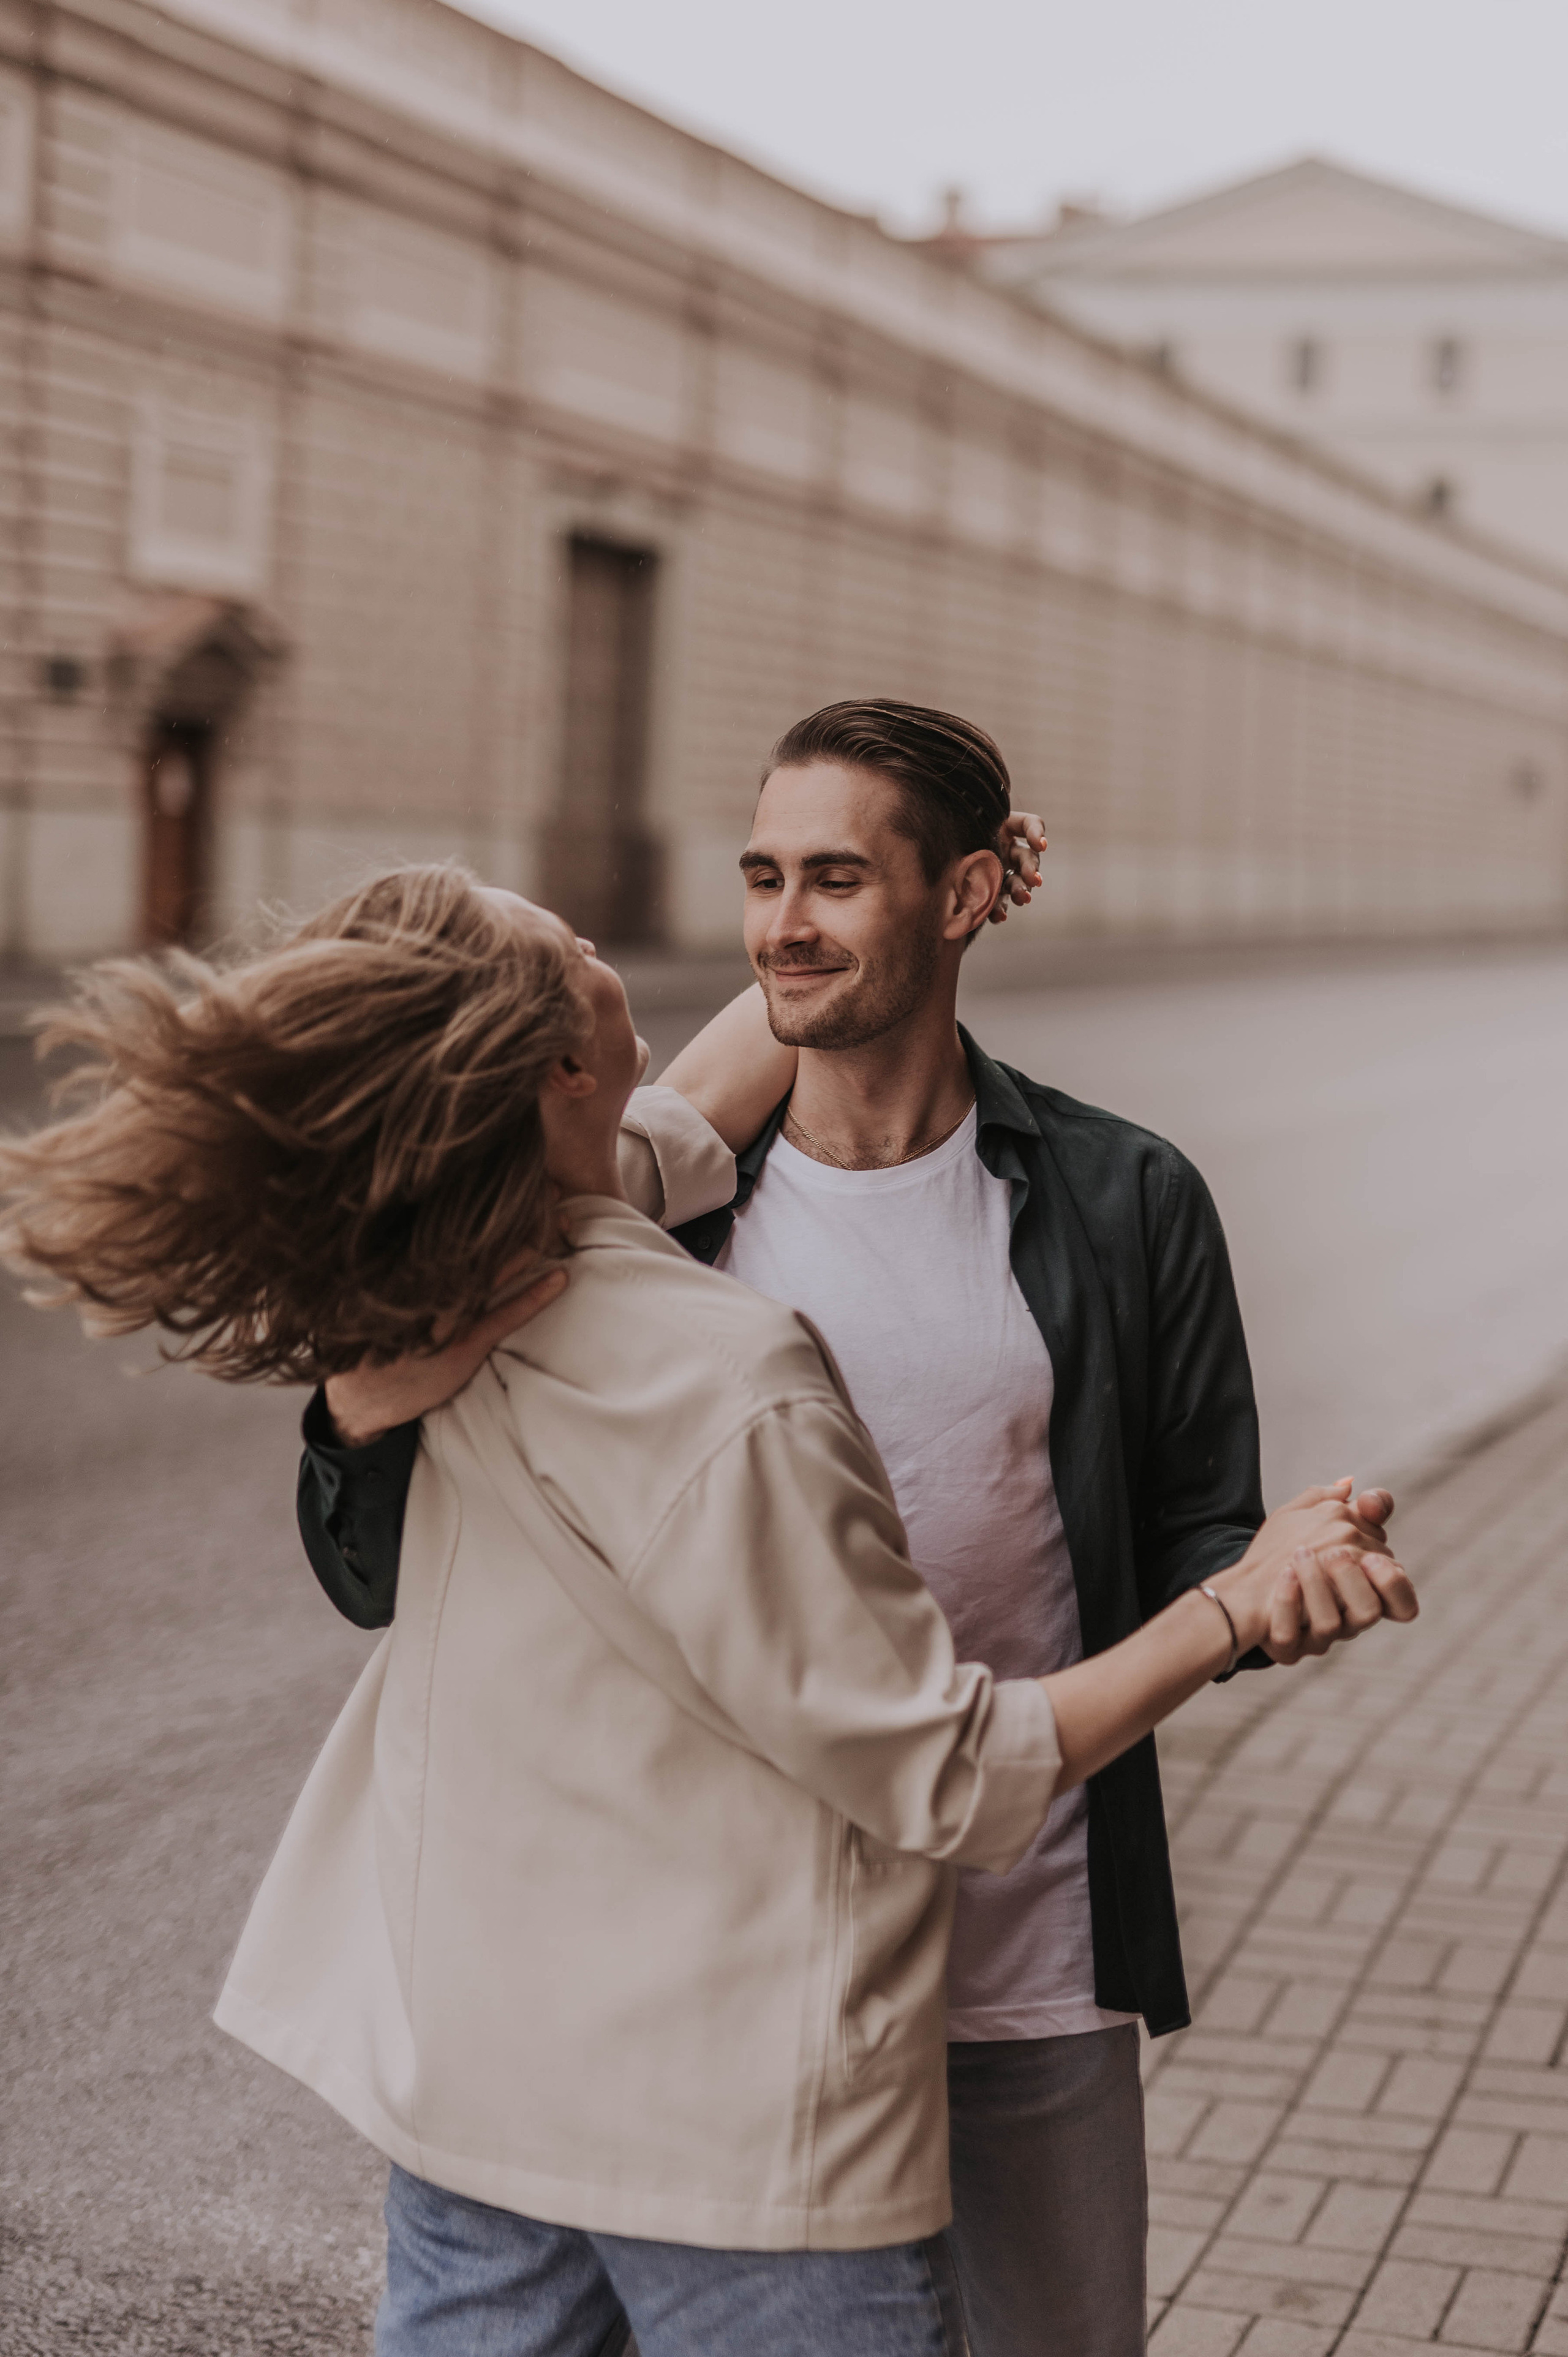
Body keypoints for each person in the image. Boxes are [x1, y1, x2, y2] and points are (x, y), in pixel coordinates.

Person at [0, 864, 1414, 2357]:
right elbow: (937, 1766)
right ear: (553, 1068)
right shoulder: (722, 1378)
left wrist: (931, 890)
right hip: (720, 2142)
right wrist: (1233, 1602)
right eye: (569, 946)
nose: (604, 941)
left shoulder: (454, 1279)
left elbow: (708, 1081)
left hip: (475, 2082)